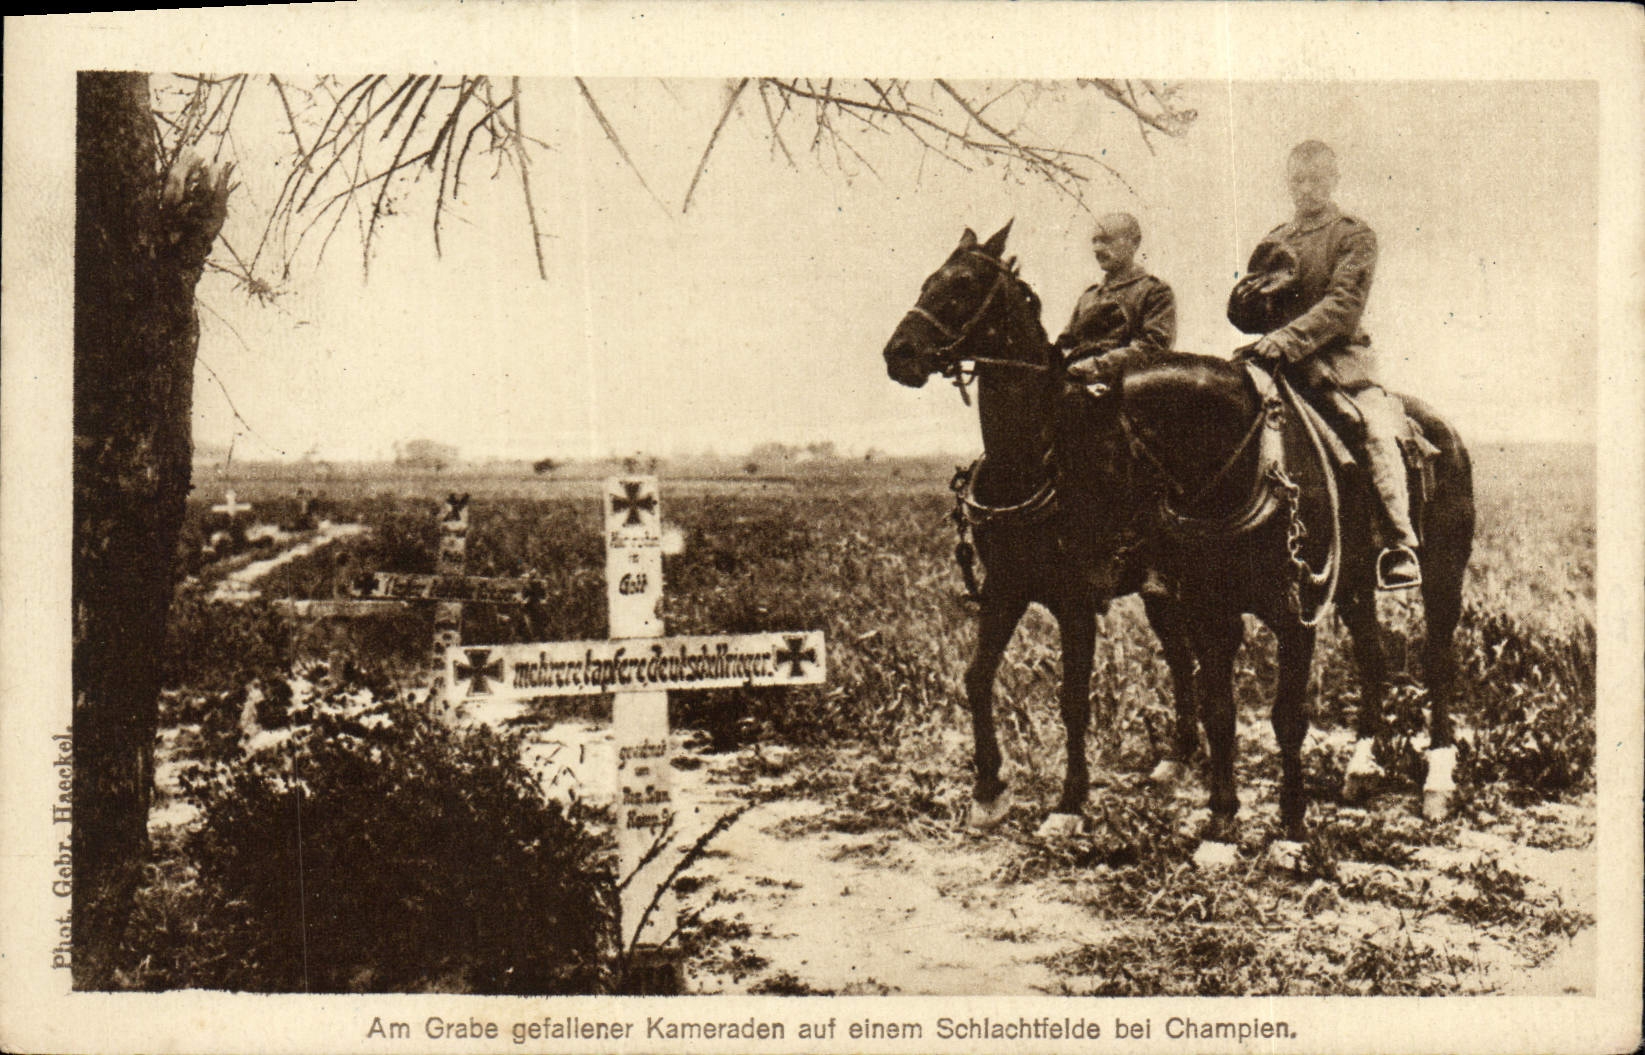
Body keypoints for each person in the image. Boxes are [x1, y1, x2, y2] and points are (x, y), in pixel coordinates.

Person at [1231, 139, 1421, 589]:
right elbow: (1253, 317)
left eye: (1316, 179)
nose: (1306, 189)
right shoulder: (1275, 240)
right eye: (1298, 179)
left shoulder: (1353, 235)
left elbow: (1343, 306)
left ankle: (1399, 542)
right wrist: (1242, 308)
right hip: (1275, 361)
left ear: (1333, 181)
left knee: (1373, 429)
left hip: (1338, 364)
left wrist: (1285, 340)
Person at [1057, 212, 1177, 390]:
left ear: (1134, 242)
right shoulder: (1088, 296)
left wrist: (1095, 367)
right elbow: (1065, 343)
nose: (1097, 248)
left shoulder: (1153, 291)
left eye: (1106, 240)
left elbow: (1152, 348)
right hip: (1076, 384)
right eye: (1094, 241)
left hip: (1124, 389)